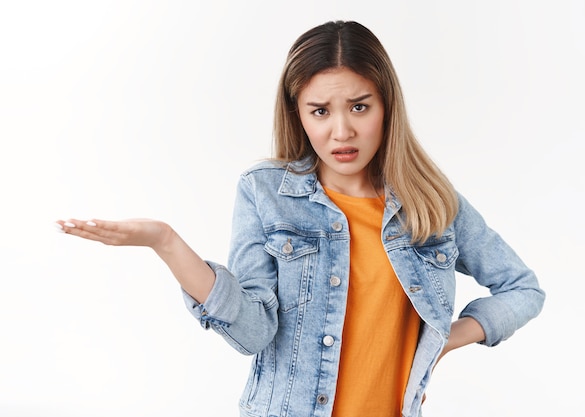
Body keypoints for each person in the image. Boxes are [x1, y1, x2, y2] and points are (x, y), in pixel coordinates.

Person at [57, 20, 545, 417]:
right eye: (319, 111)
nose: (342, 130)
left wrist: (447, 338)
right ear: (298, 115)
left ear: (386, 106)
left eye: (359, 106)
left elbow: (522, 288)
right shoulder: (265, 193)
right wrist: (165, 242)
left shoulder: (432, 204)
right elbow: (251, 333)